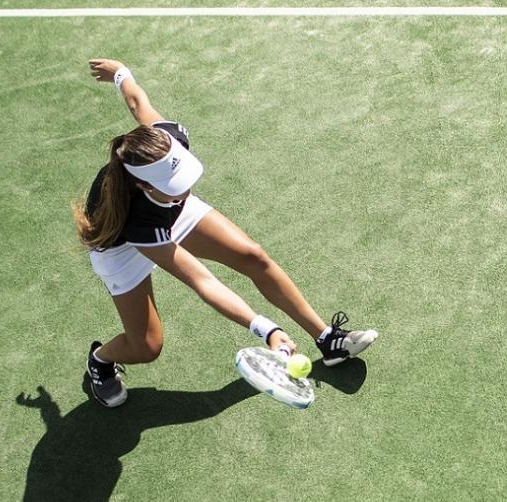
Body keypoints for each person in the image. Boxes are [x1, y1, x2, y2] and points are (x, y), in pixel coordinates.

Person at [74, 59, 377, 408]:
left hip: (164, 207)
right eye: (177, 185)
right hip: (122, 247)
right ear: (143, 184)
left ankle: (327, 340)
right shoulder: (135, 218)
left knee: (253, 256)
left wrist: (121, 74)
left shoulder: (164, 144)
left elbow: (137, 102)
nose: (186, 188)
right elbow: (203, 282)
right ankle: (100, 360)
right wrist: (267, 329)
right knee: (146, 346)